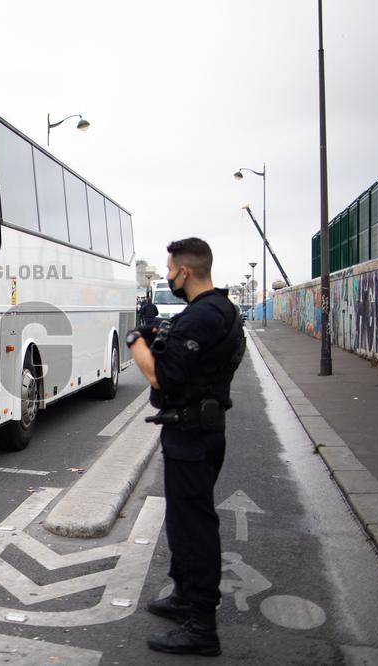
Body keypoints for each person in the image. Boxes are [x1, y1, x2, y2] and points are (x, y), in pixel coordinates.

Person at [125, 237, 245, 657]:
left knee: (193, 528)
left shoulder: (200, 317)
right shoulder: (224, 310)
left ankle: (201, 625)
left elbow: (164, 377)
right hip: (204, 428)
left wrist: (136, 342)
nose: (170, 276)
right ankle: (182, 597)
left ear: (186, 271)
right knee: (183, 521)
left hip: (190, 434)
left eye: (172, 270)